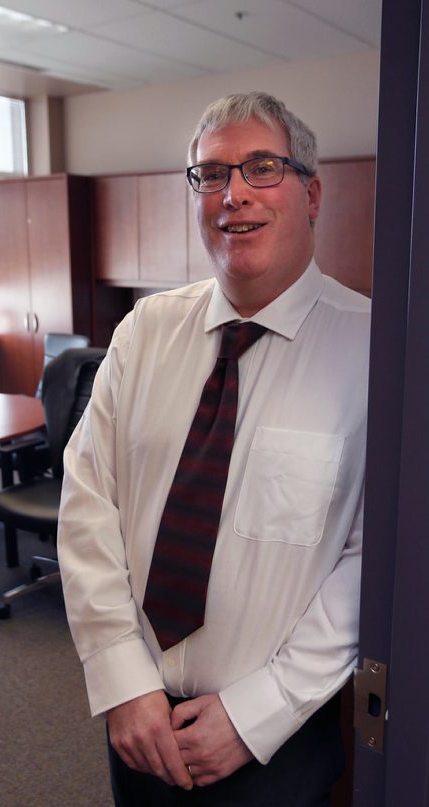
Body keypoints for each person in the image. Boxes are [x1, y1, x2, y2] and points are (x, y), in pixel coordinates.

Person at [57, 91, 370, 806]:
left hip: (276, 740)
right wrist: (121, 678)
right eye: (211, 174)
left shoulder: (379, 353)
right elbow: (86, 500)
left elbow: (373, 559)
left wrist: (256, 710)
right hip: (140, 723)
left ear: (312, 193)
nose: (234, 195)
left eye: (262, 167)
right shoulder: (144, 333)